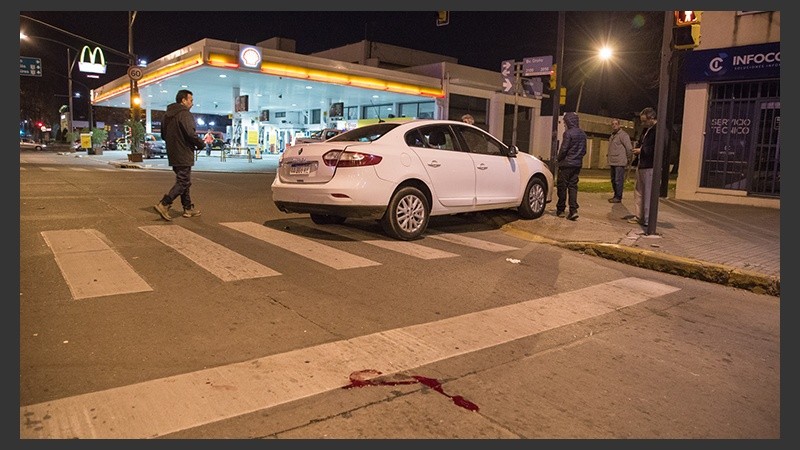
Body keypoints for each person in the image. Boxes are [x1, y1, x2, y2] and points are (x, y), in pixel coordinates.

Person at [154, 89, 207, 221]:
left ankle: (188, 208)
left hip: (173, 152)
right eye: (191, 100)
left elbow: (163, 135)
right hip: (183, 152)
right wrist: (201, 144)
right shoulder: (184, 114)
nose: (192, 103)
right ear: (183, 100)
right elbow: (190, 134)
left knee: (184, 181)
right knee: (183, 181)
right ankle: (165, 203)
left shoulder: (167, 115)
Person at [628, 107, 657, 227]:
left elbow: (657, 148)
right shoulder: (647, 130)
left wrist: (642, 150)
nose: (642, 123)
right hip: (641, 164)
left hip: (649, 165)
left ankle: (646, 218)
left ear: (651, 118)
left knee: (647, 192)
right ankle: (639, 215)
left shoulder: (657, 131)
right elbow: (642, 143)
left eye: (644, 121)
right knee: (639, 191)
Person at [555, 112, 587, 221]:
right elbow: (584, 150)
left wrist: (558, 159)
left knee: (562, 186)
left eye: (565, 122)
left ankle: (561, 210)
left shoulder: (568, 133)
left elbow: (564, 149)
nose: (564, 124)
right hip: (577, 164)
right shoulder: (583, 134)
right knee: (573, 187)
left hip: (566, 164)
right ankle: (573, 211)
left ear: (569, 121)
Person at [607, 118, 633, 203]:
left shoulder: (623, 135)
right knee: (613, 180)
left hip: (620, 161)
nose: (614, 125)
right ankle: (615, 195)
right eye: (613, 124)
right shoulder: (612, 135)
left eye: (616, 124)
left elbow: (629, 148)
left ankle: (618, 197)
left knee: (618, 180)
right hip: (613, 161)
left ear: (619, 125)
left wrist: (629, 158)